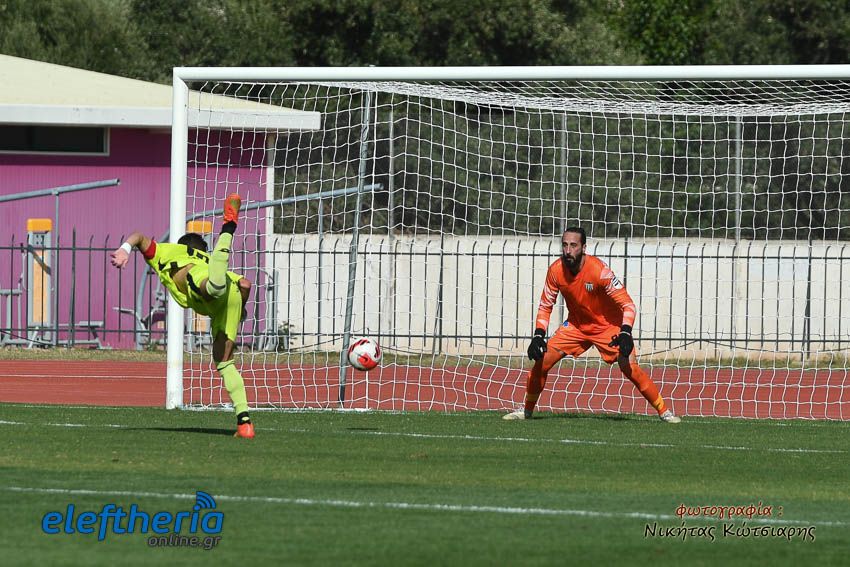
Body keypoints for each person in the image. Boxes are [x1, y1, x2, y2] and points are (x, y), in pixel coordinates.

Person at [110, 193, 256, 438]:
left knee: (208, 285)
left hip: (201, 283)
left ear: (183, 246)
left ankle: (228, 228)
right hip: (231, 295)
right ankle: (244, 423)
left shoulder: (168, 251)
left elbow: (138, 236)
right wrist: (240, 310)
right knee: (224, 361)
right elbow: (245, 284)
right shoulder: (206, 257)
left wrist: (125, 249)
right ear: (202, 250)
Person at [504, 227, 681, 423]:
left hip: (608, 326)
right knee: (541, 363)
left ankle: (664, 412)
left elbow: (628, 305)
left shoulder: (599, 271)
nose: (568, 250)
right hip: (576, 326)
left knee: (629, 367)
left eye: (573, 245)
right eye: (565, 245)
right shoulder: (555, 271)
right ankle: (526, 411)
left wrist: (625, 332)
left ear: (584, 248)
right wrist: (539, 334)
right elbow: (545, 305)